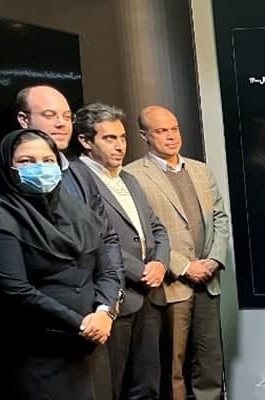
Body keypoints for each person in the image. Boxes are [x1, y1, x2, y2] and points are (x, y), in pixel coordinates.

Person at [0, 129, 120, 399]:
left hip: (91, 348)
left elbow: (106, 270)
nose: (40, 167)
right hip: (38, 350)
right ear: (8, 167)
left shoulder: (77, 211)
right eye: (26, 161)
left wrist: (104, 312)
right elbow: (16, 291)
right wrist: (82, 325)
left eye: (48, 160)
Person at [124, 105, 230, 400]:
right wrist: (183, 267)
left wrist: (214, 259)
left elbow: (220, 218)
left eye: (174, 129)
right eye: (161, 131)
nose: (171, 136)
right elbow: (143, 233)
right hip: (171, 284)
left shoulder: (200, 170)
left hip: (208, 280)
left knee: (210, 362)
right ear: (144, 135)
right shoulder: (132, 175)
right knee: (173, 366)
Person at [75, 102, 170, 399]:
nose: (119, 146)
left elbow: (157, 228)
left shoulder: (128, 178)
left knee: (148, 384)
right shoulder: (78, 180)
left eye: (122, 137)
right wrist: (140, 271)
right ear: (85, 141)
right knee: (112, 386)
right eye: (109, 138)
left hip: (149, 297)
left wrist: (160, 263)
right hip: (113, 297)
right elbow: (95, 240)